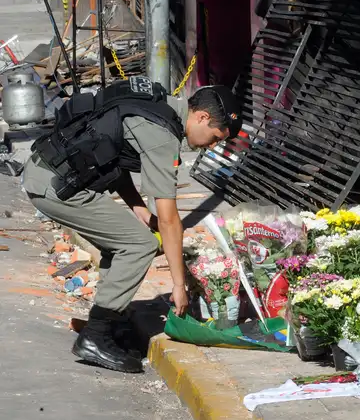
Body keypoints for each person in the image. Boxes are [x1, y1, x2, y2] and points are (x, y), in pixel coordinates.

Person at [21, 78, 241, 373]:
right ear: (201, 117)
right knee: (140, 244)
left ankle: (111, 321)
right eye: (215, 137)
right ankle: (95, 336)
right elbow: (169, 218)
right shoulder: (164, 136)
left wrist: (138, 209)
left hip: (47, 171)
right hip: (58, 187)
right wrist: (178, 285)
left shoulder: (157, 104)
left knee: (127, 239)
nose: (212, 146)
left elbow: (113, 157)